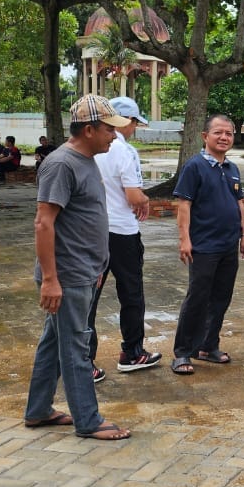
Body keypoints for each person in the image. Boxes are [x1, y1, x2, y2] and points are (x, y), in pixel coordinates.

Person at [23, 94, 132, 441]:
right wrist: (51, 280)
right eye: (108, 130)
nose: (114, 136)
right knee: (75, 347)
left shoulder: (87, 160)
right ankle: (88, 420)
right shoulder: (61, 164)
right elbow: (44, 223)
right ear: (89, 129)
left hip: (84, 271)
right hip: (67, 276)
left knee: (54, 343)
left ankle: (38, 410)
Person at [170, 114, 244, 375]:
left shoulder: (232, 168)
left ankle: (208, 346)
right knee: (197, 298)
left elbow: (239, 203)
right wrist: (185, 240)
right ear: (205, 136)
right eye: (218, 132)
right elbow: (184, 205)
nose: (224, 137)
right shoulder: (194, 167)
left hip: (229, 245)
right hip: (204, 246)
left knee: (220, 298)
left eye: (228, 133)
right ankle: (182, 352)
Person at [87, 96, 161, 375]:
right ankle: (132, 352)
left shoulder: (91, 148)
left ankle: (84, 361)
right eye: (134, 124)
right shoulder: (124, 151)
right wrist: (143, 200)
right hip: (122, 233)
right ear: (126, 121)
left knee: (89, 298)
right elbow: (133, 194)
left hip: (94, 231)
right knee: (131, 295)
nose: (134, 130)